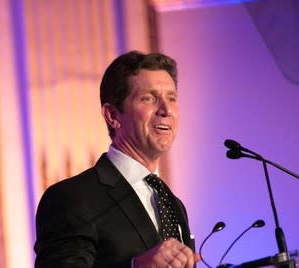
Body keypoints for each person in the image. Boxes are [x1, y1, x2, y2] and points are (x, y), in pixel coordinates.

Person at [34, 50, 199, 268]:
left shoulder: (173, 204)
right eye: (148, 98)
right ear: (112, 116)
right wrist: (135, 267)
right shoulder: (71, 199)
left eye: (171, 98)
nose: (166, 110)